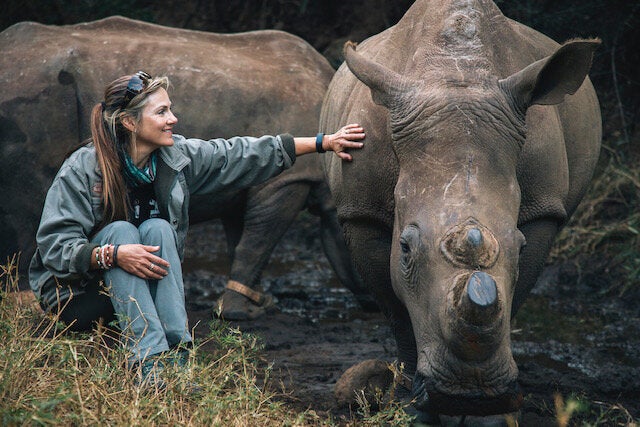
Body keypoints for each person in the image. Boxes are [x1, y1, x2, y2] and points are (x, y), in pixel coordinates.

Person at [28, 71, 365, 387]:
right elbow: (55, 246)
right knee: (121, 233)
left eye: (170, 110)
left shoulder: (174, 157)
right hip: (77, 295)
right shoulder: (84, 168)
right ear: (130, 122)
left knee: (159, 228)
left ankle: (177, 353)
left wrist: (323, 142)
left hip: (133, 291)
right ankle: (148, 361)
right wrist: (112, 254)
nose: (172, 119)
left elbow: (238, 155)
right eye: (161, 112)